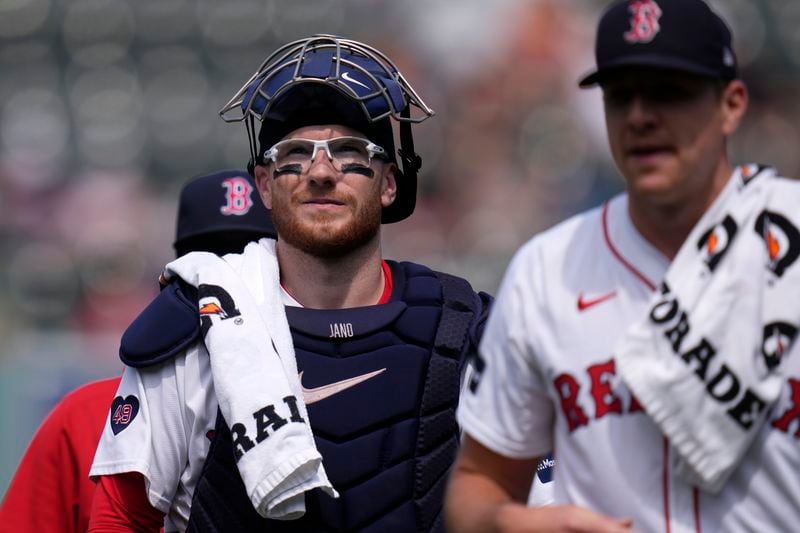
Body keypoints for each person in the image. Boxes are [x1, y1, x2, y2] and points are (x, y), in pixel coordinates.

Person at [88, 34, 492, 532]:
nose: (321, 172)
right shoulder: (199, 326)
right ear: (263, 185)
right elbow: (121, 516)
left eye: (348, 151)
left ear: (389, 183)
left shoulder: (465, 328)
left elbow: (531, 497)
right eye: (295, 153)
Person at [446, 0, 800, 532]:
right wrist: (514, 524)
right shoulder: (546, 271)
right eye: (621, 95)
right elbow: (478, 484)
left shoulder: (791, 233)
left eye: (668, 91)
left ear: (731, 103)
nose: (640, 116)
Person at [0, 170, 275, 533]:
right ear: (171, 279)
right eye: (206, 265)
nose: (223, 286)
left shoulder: (326, 399)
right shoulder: (82, 417)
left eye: (247, 264)